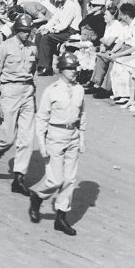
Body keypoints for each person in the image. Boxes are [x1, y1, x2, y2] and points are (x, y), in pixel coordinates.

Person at [28, 52, 86, 236]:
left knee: (69, 179)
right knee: (55, 179)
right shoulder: (51, 90)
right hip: (55, 134)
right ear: (61, 70)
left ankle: (61, 218)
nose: (73, 72)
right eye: (69, 68)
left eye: (75, 68)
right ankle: (37, 196)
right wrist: (42, 145)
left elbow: (82, 114)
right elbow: (42, 118)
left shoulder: (79, 89)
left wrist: (82, 137)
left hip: (73, 135)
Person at [0, 11, 38, 195]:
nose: (27, 34)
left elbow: (33, 69)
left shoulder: (33, 47)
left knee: (27, 139)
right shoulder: (5, 47)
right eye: (23, 31)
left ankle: (19, 178)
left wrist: (31, 91)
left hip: (27, 93)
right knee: (6, 138)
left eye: (29, 30)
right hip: (9, 92)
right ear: (16, 30)